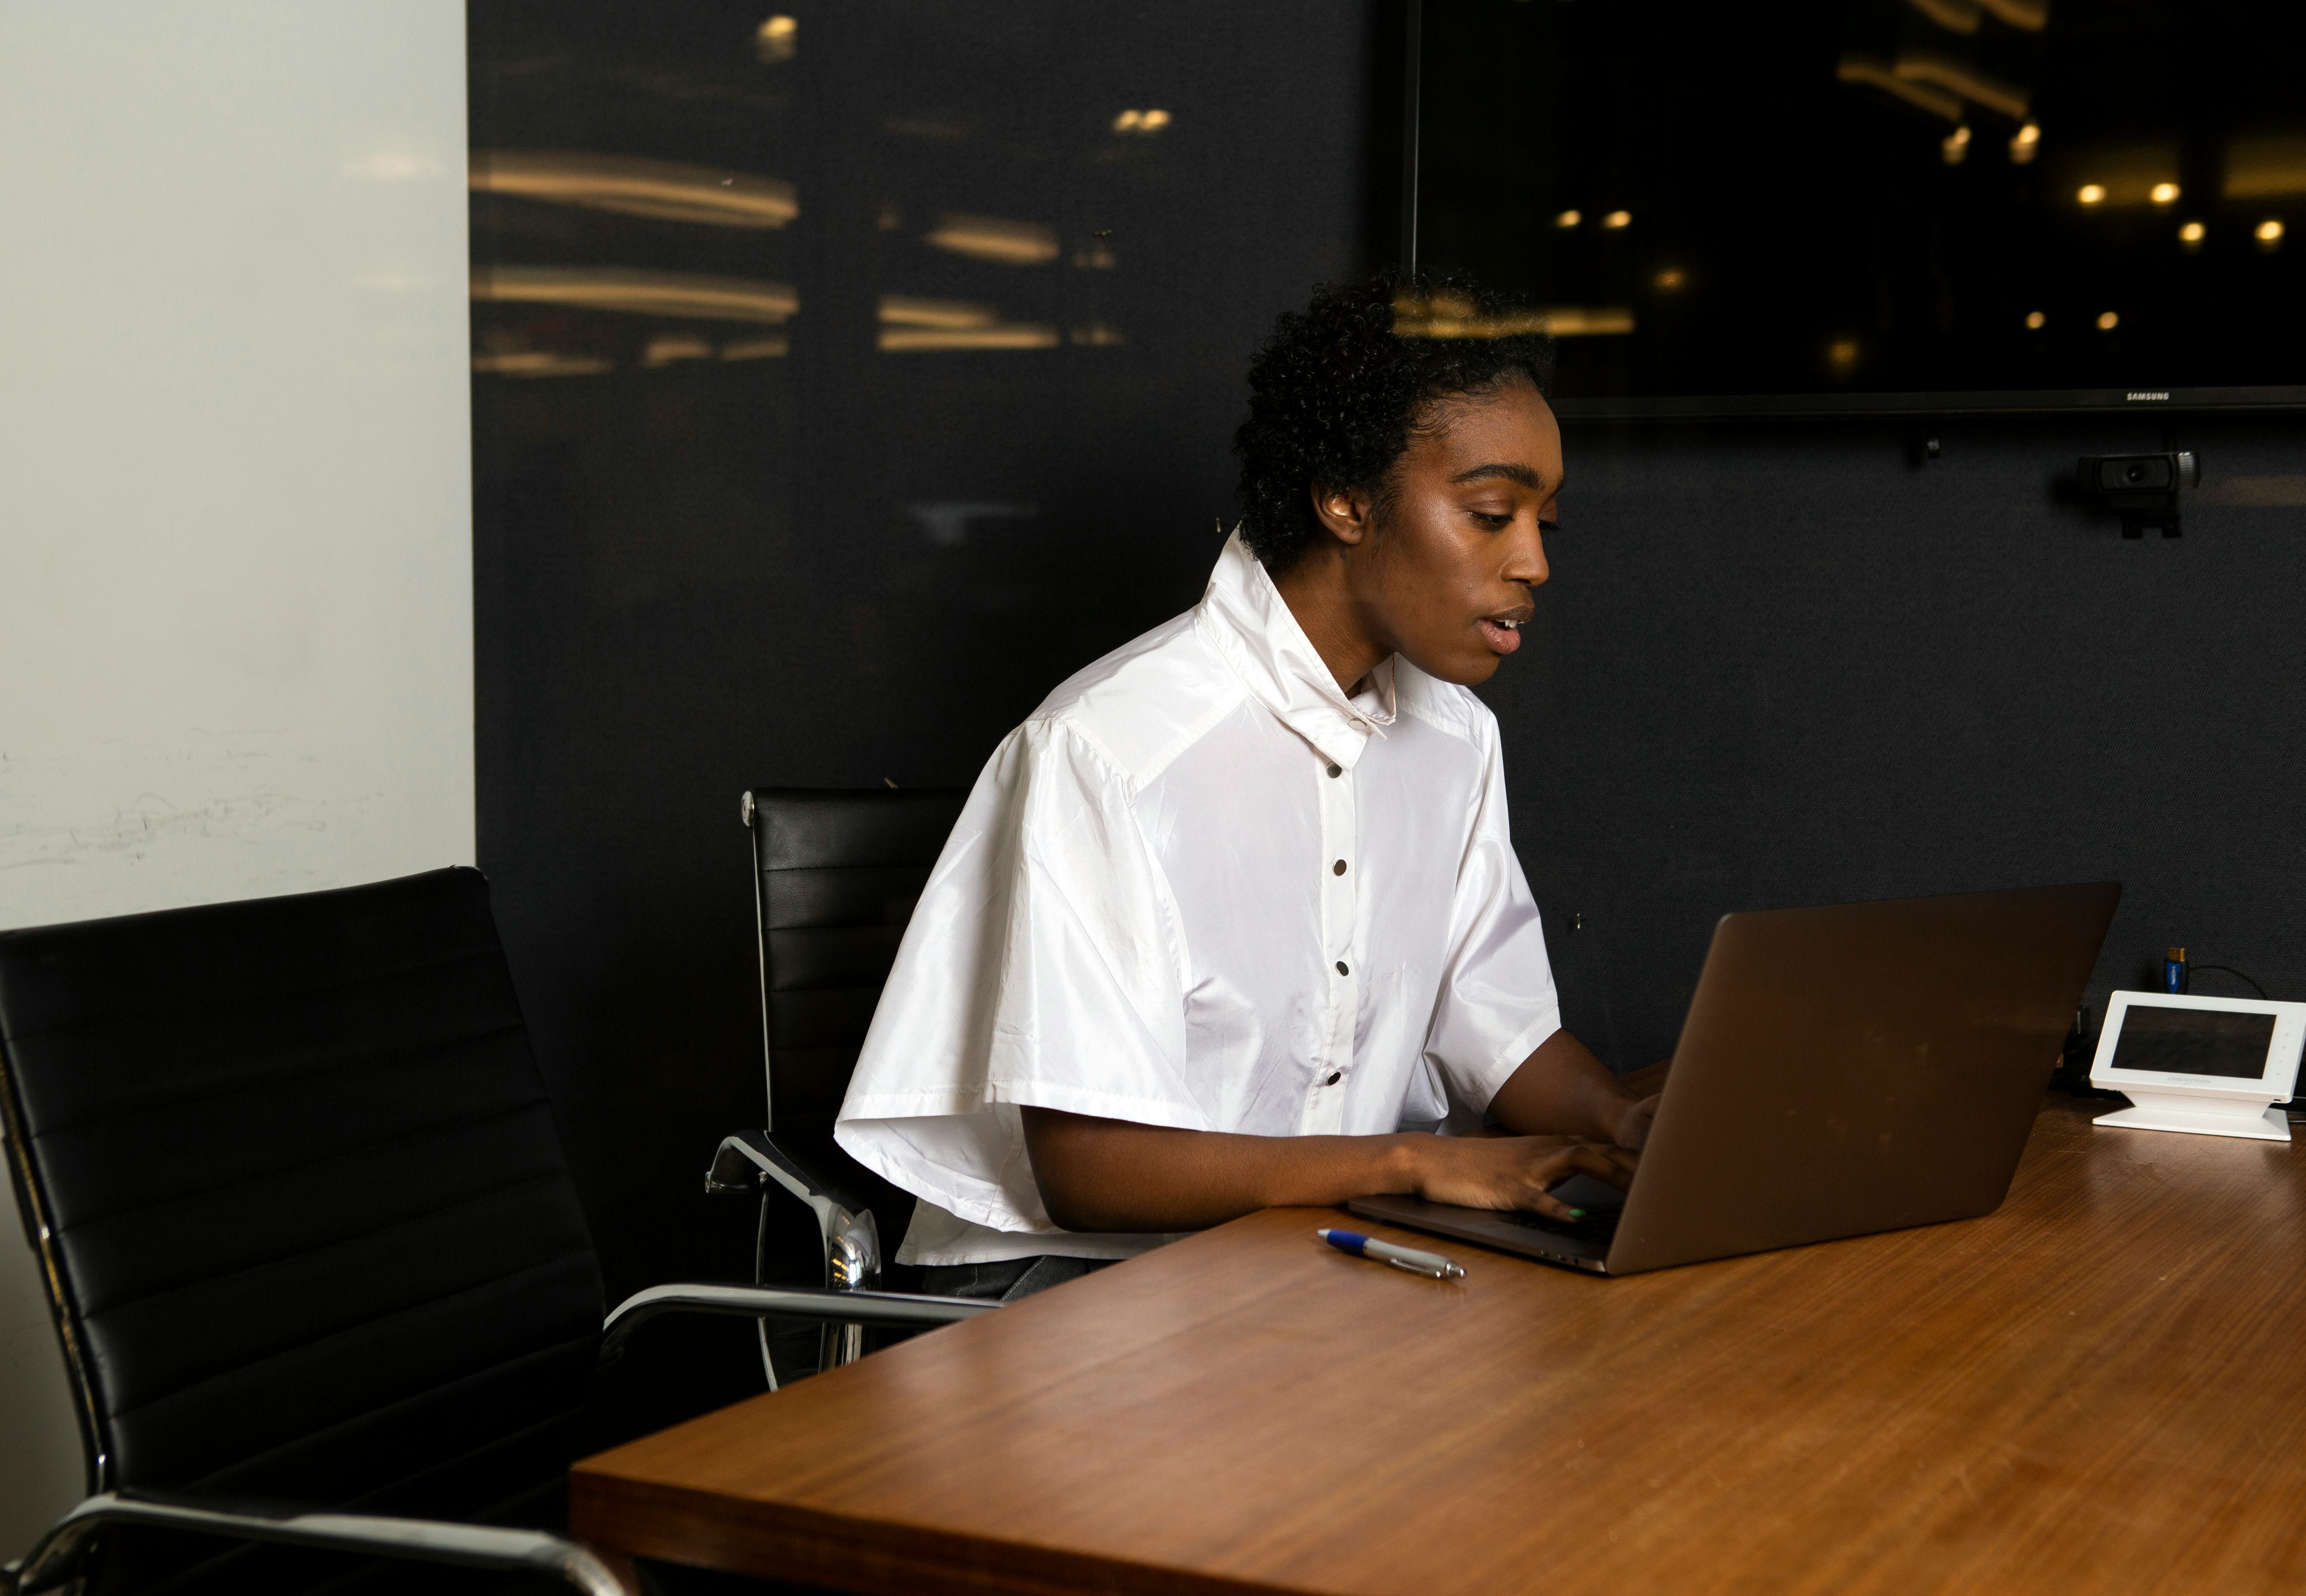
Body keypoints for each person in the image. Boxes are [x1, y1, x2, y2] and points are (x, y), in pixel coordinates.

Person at [835, 273, 1656, 1302]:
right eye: (1491, 513)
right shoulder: (1109, 747)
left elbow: (1493, 1022)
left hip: (1313, 1263)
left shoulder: (1457, 738)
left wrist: (1629, 1122)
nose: (1532, 560)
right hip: (1062, 1293)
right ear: (1345, 499)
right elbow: (1090, 1167)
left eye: (1545, 521)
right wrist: (1407, 1162)